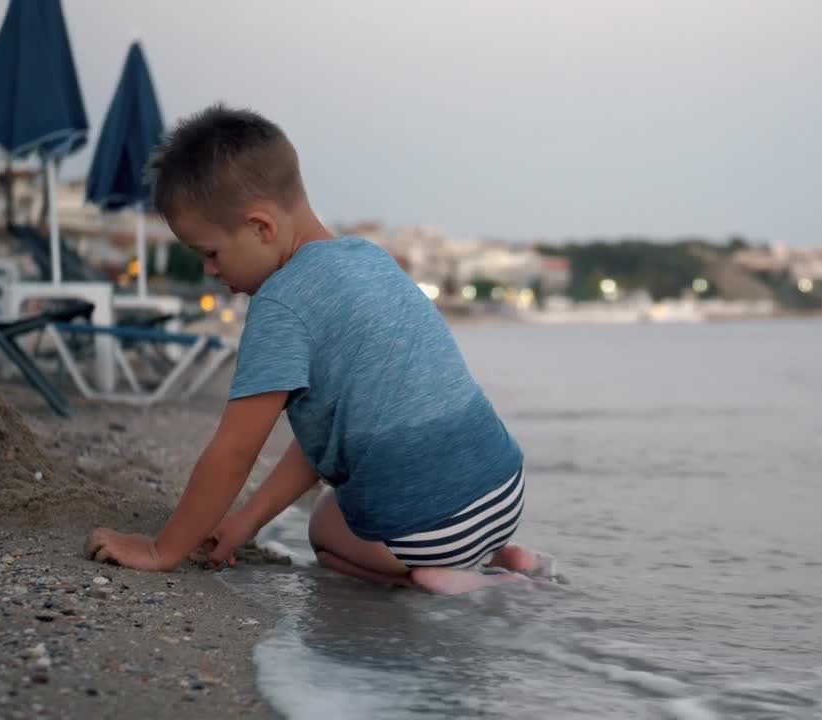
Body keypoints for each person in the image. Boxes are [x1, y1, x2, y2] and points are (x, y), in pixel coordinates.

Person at [85, 104, 541, 594]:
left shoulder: (281, 302)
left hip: (428, 532)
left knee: (324, 529)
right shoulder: (368, 258)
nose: (210, 272)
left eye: (210, 253)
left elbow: (235, 450)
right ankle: (497, 557)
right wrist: (244, 522)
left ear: (262, 228)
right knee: (371, 487)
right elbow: (327, 438)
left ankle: (449, 580)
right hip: (504, 491)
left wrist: (163, 549)